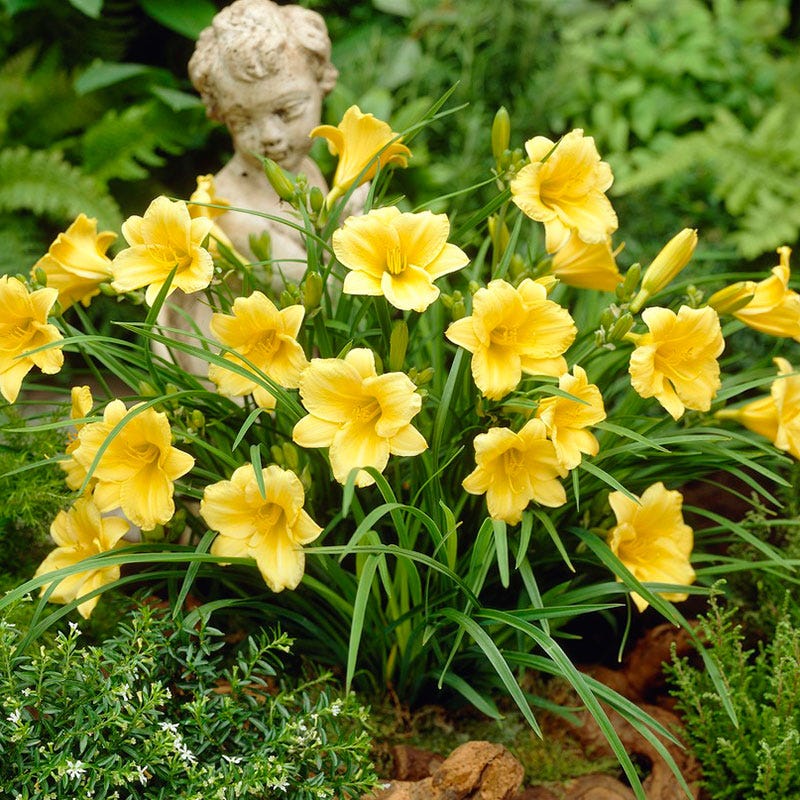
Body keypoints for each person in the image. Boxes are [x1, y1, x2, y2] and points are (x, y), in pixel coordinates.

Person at [159, 0, 338, 374]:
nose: (269, 136)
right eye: (242, 122)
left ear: (322, 82)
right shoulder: (227, 208)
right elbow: (323, 296)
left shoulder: (305, 171)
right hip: (236, 375)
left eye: (286, 111)